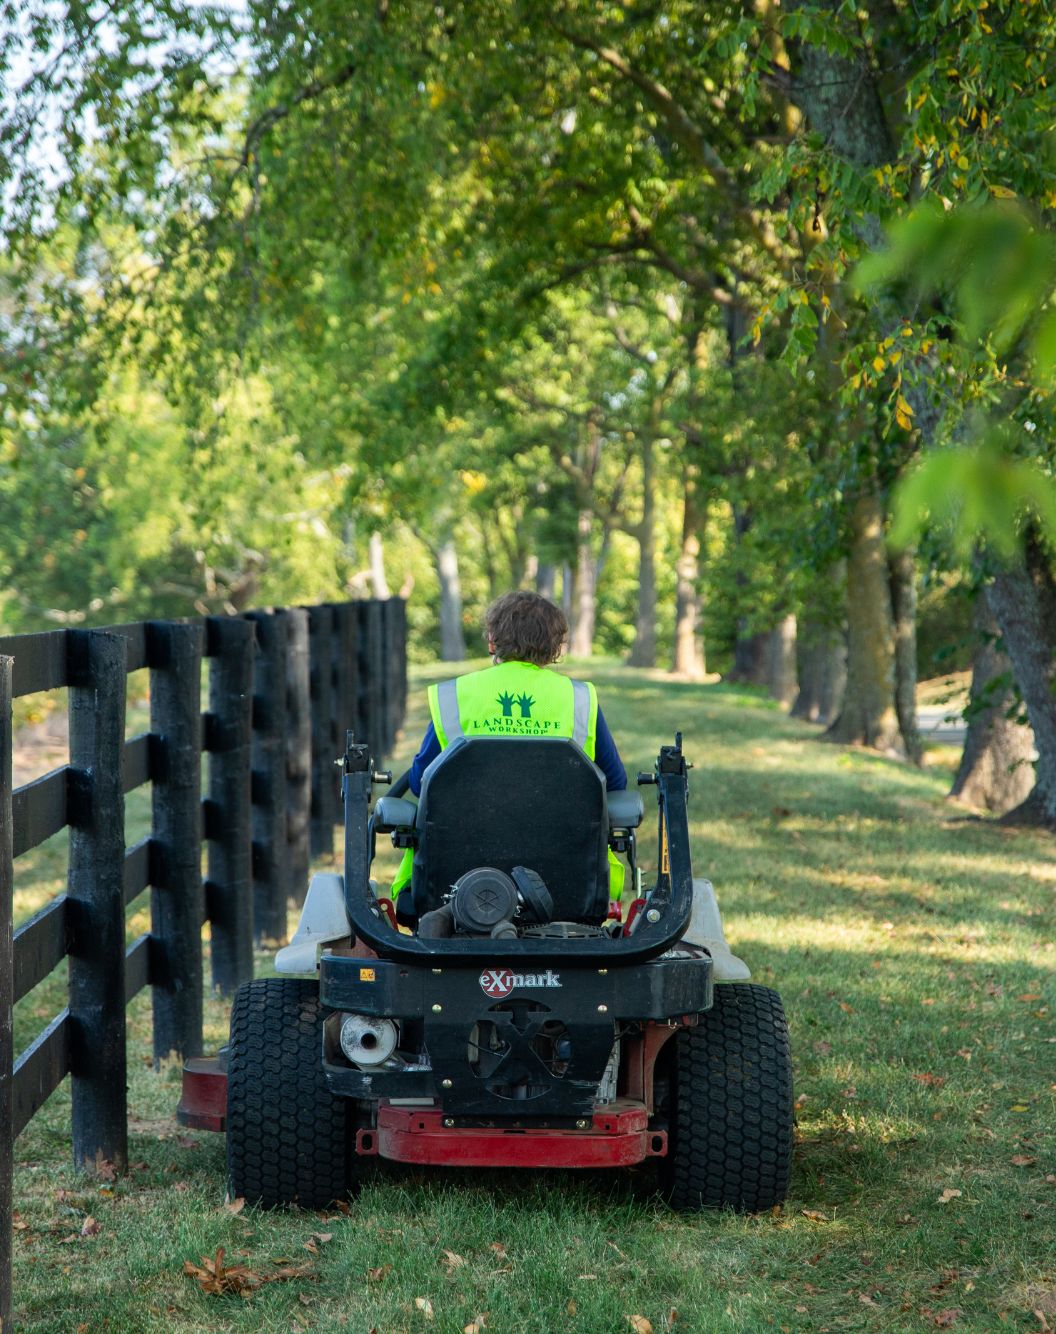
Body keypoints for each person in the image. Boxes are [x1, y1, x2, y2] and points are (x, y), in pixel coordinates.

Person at [389, 590, 628, 912]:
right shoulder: (578, 699)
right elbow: (614, 785)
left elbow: (419, 785)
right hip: (570, 889)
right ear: (556, 647)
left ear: (492, 639)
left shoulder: (454, 696)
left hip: (453, 889)